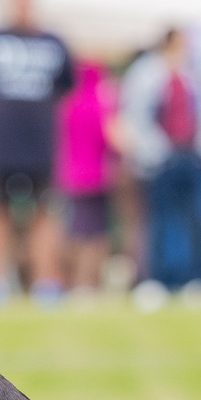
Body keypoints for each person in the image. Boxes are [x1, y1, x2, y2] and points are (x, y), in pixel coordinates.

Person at [0, 0, 74, 302]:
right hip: (3, 146)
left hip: (40, 147)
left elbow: (66, 89)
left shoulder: (53, 43)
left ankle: (47, 284)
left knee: (44, 214)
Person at [119, 27, 201, 298]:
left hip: (195, 156)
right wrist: (154, 150)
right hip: (161, 158)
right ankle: (161, 279)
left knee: (199, 219)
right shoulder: (146, 73)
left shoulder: (198, 73)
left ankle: (195, 278)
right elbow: (135, 114)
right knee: (163, 220)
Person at [52, 57, 120, 293]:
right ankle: (89, 283)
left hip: (69, 178)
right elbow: (111, 137)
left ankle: (70, 282)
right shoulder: (101, 104)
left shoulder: (67, 103)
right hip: (96, 178)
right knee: (96, 234)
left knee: (73, 232)